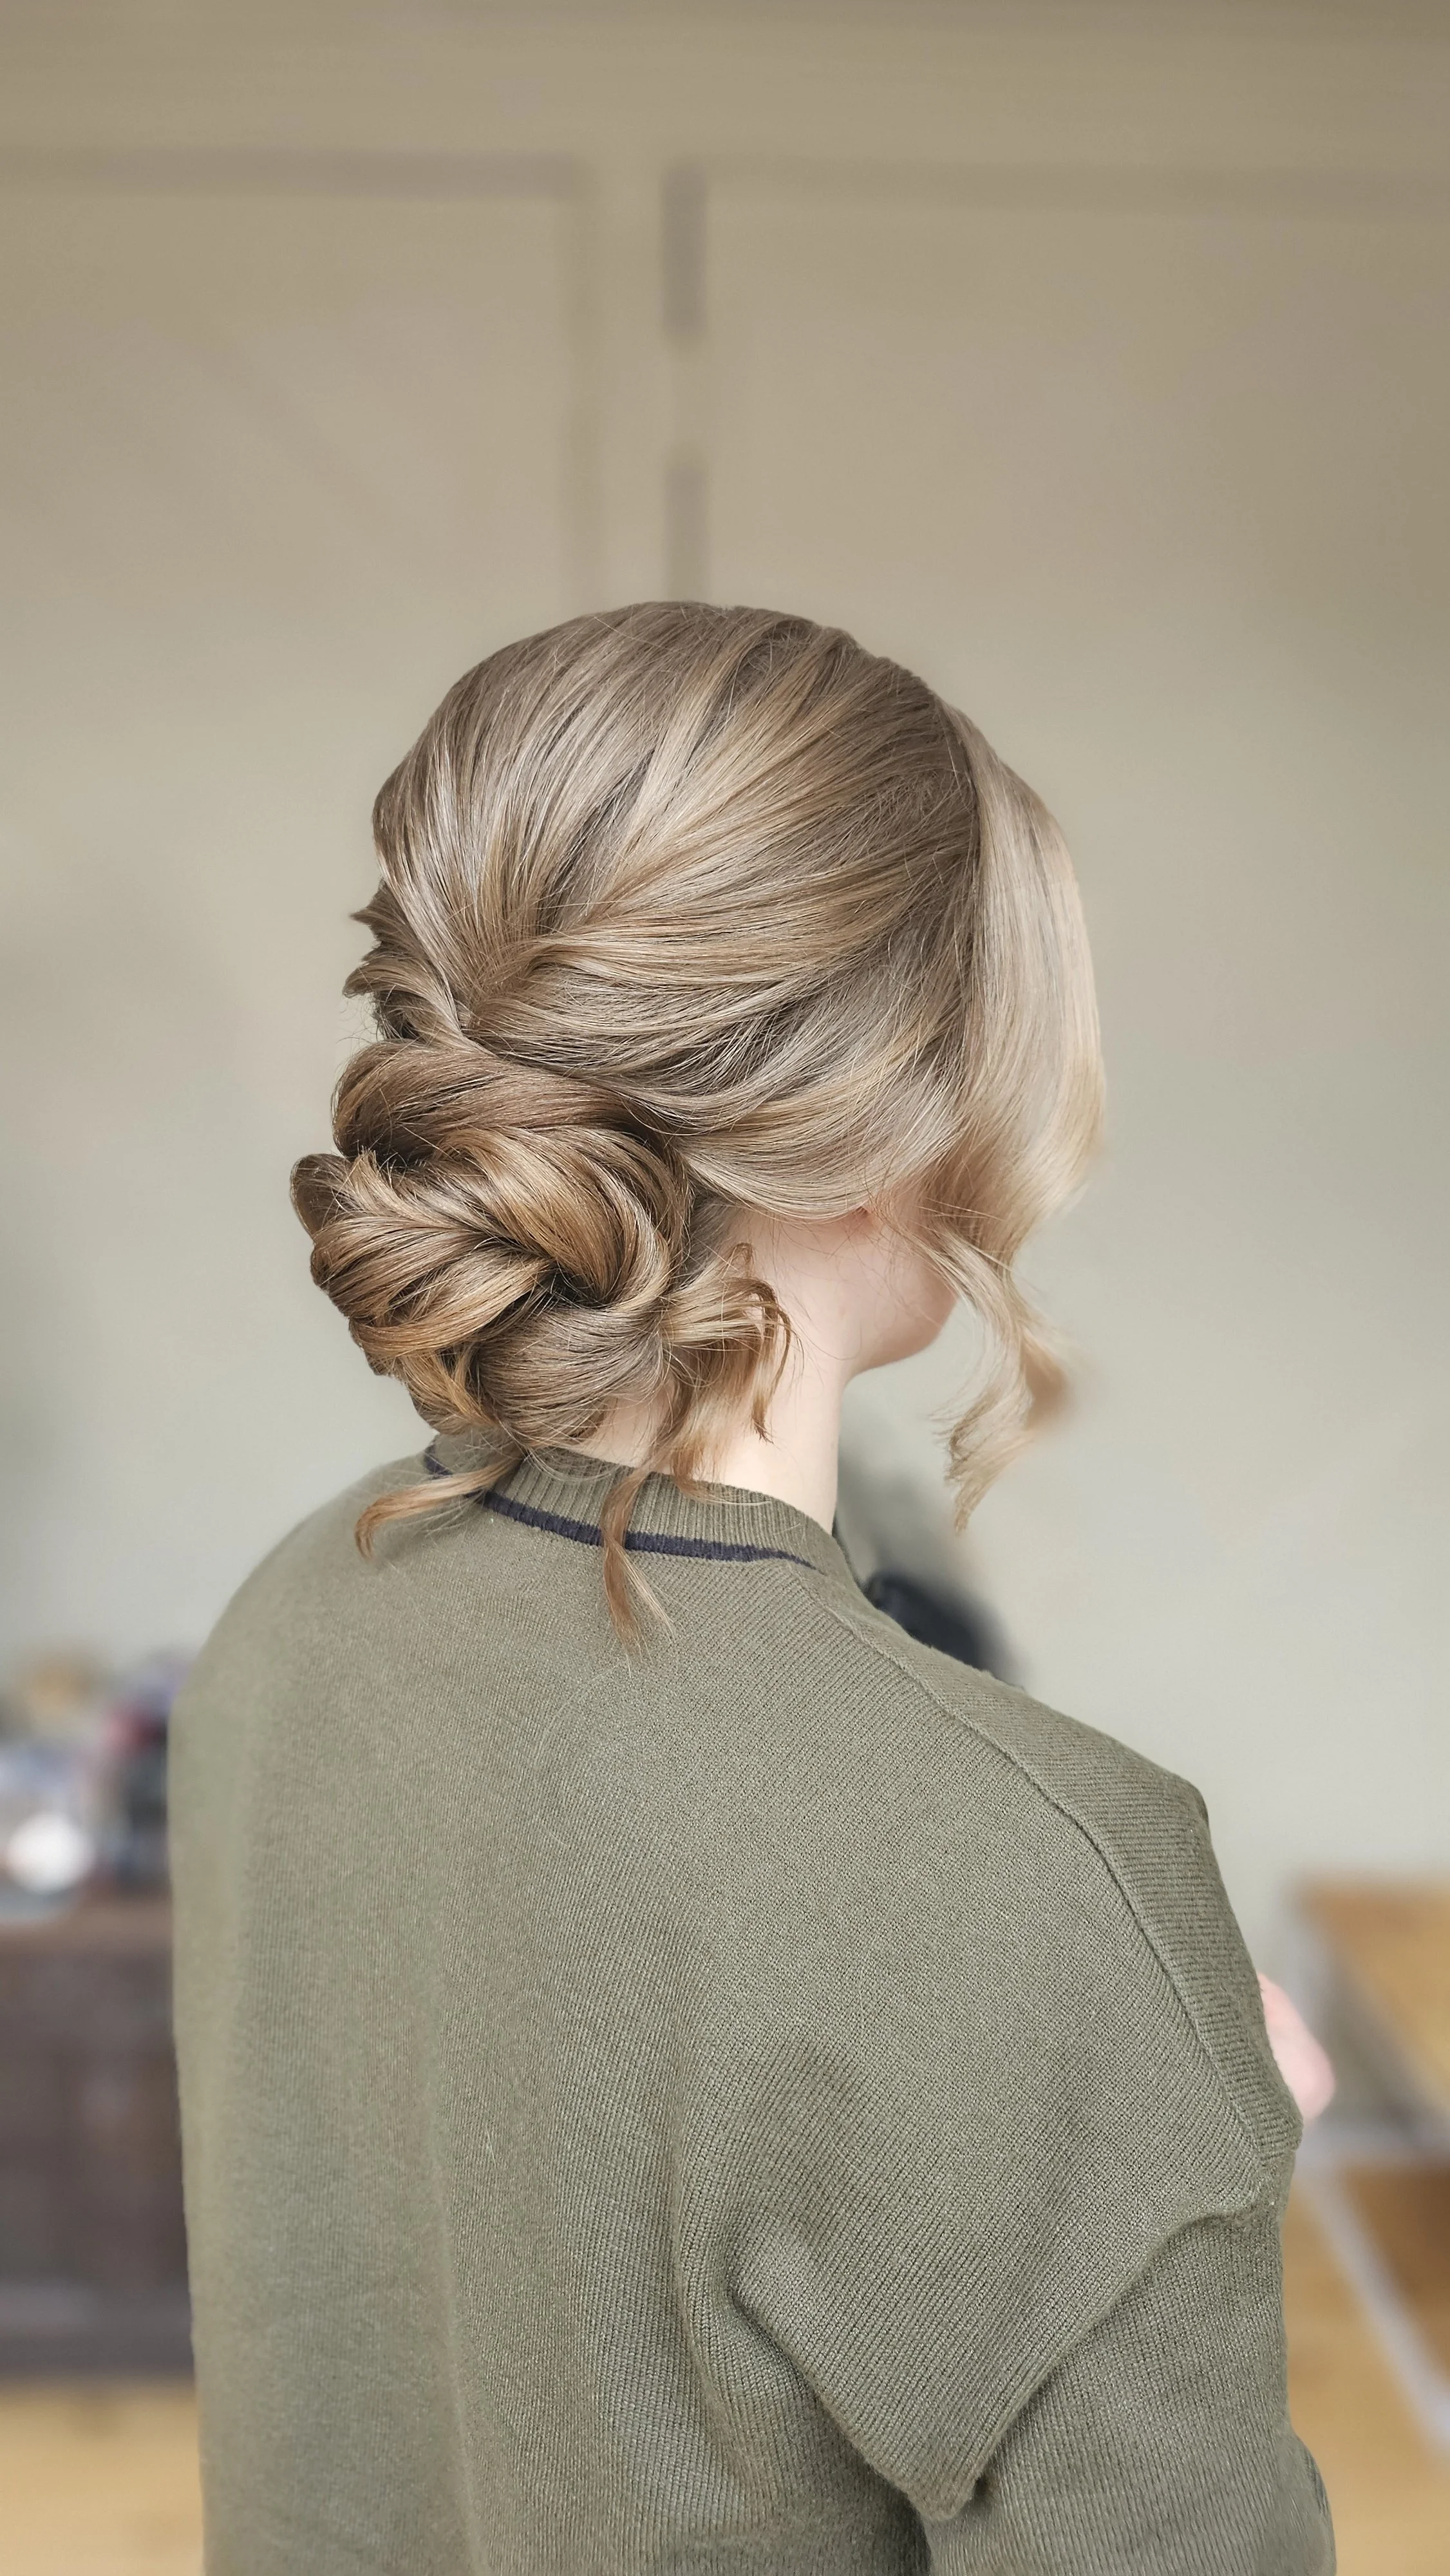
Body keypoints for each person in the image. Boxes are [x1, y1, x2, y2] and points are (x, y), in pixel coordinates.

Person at [169, 605, 1335, 2573]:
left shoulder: (299, 1611)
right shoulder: (1036, 1887)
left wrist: (1099, 2076)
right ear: (888, 1116)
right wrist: (1137, 2092)